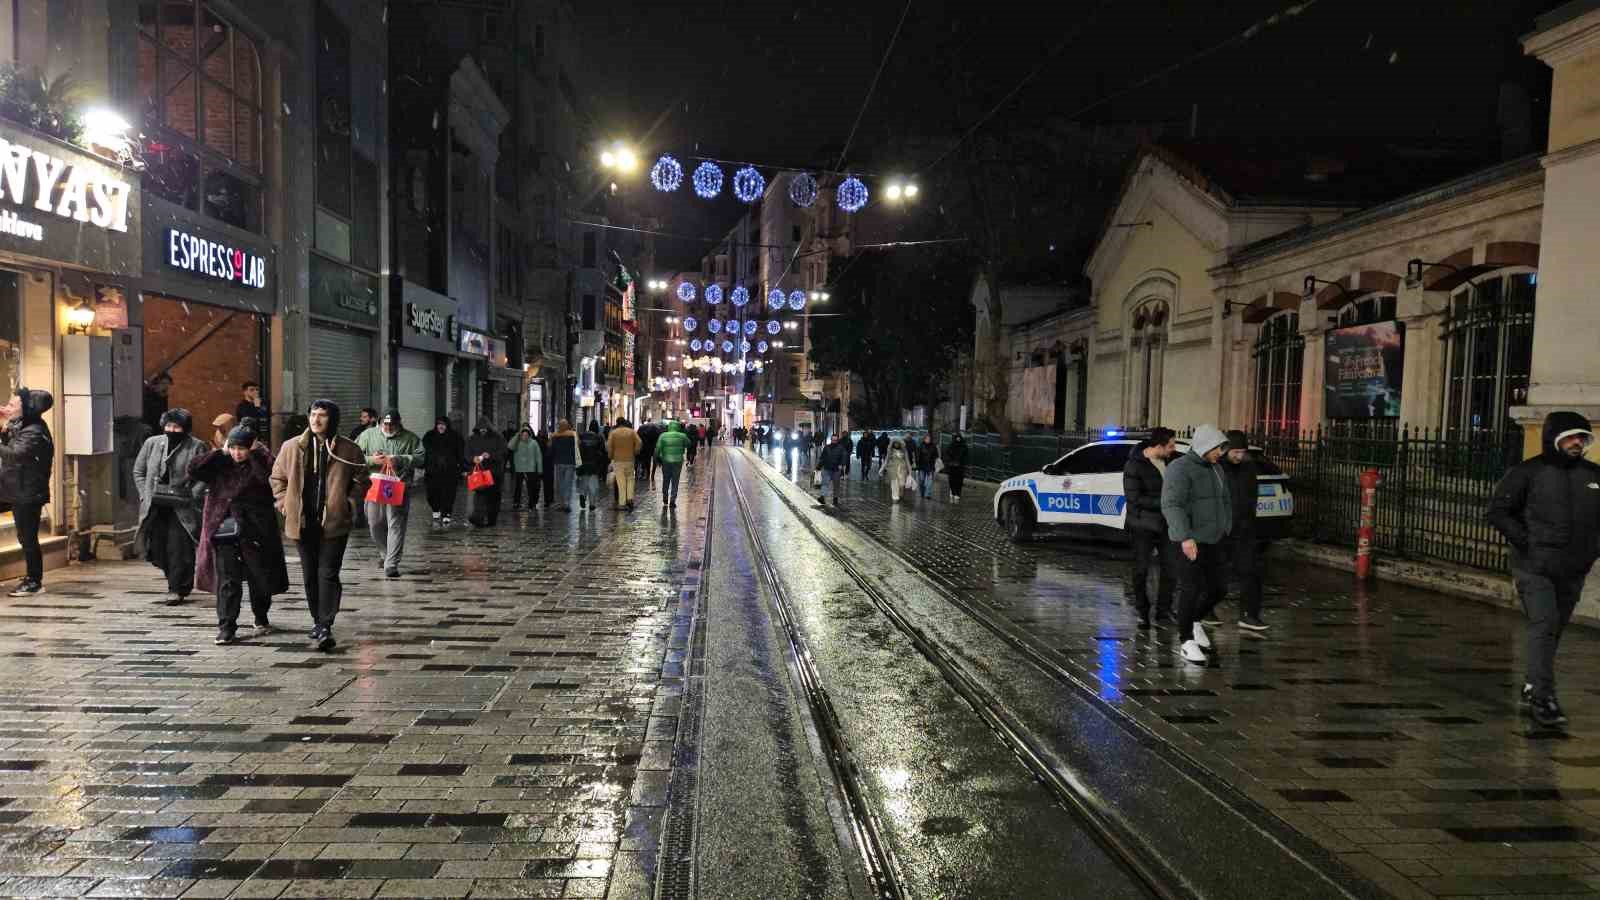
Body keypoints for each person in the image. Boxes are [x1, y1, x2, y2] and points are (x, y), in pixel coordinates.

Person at [1487, 411, 1600, 728]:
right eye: (1571, 437)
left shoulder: (1594, 475)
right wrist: (1527, 542)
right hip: (1534, 567)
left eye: (1582, 437)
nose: (1577, 443)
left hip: (1574, 570)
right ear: (1555, 438)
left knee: (1553, 631)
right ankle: (1543, 698)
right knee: (1544, 624)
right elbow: (1498, 511)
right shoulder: (1528, 472)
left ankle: (1531, 685)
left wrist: (1594, 549)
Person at [270, 400, 367, 651]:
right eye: (313, 415)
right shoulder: (292, 447)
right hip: (303, 522)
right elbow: (277, 478)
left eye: (322, 416)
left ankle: (325, 624)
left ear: (332, 419)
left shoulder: (349, 449)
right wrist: (284, 503)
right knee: (310, 574)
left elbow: (362, 479)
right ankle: (317, 620)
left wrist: (348, 502)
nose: (316, 420)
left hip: (334, 523)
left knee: (328, 573)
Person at [190, 426, 289, 644]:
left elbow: (271, 476)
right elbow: (194, 469)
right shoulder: (221, 463)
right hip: (224, 528)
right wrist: (220, 452)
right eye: (233, 448)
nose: (237, 453)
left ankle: (261, 616)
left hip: (255, 530)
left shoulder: (260, 463)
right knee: (227, 579)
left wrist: (257, 453)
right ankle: (226, 627)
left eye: (242, 448)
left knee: (259, 577)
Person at [1161, 425, 1233, 665]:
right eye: (1216, 449)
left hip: (1215, 539)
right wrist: (1185, 537)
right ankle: (1185, 640)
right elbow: (1172, 504)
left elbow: (1224, 500)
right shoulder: (1179, 468)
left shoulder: (1216, 469)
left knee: (1219, 588)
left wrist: (1226, 526)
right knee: (1190, 589)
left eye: (1222, 449)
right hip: (1189, 541)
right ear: (1204, 446)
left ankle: (1194, 621)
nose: (1220, 453)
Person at [133, 409, 210, 605]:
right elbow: (139, 471)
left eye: (176, 427)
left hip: (182, 507)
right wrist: (145, 494)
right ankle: (176, 581)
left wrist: (192, 495)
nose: (171, 430)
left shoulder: (196, 446)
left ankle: (176, 588)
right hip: (156, 505)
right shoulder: (152, 444)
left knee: (178, 547)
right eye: (168, 426)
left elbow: (206, 475)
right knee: (158, 546)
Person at [0, 388, 54, 596]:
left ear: (29, 410)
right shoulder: (21, 424)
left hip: (27, 492)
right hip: (12, 488)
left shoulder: (35, 431)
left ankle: (34, 581)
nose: (8, 406)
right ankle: (33, 579)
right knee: (26, 536)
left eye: (13, 405)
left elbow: (15, 454)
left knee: (27, 537)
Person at [356, 410, 423, 578]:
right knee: (375, 522)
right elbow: (354, 456)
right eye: (385, 424)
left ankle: (391, 564)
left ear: (399, 423)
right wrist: (372, 460)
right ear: (379, 423)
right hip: (374, 485)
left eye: (392, 425)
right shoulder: (367, 435)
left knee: (396, 523)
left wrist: (399, 459)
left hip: (399, 485)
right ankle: (385, 554)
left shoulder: (411, 438)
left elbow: (421, 458)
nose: (388, 427)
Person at [1124, 428, 1177, 629]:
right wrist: (1164, 501)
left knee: (1171, 568)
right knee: (1141, 570)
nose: (1173, 449)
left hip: (1167, 524)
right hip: (1142, 525)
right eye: (1170, 446)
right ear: (1158, 446)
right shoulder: (1134, 465)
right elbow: (1134, 499)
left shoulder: (1171, 461)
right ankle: (1142, 611)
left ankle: (1164, 611)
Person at [1222, 430, 1271, 633]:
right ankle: (1204, 612)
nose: (1239, 456)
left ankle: (1249, 615)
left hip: (1244, 529)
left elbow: (1252, 495)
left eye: (1242, 451)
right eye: (1235, 452)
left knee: (1251, 572)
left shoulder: (1249, 468)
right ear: (1226, 450)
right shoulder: (1217, 467)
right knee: (1213, 575)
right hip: (1221, 530)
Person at [422, 417, 465, 525]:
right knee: (432, 493)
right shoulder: (429, 436)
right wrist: (422, 465)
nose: (441, 426)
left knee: (448, 493)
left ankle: (446, 513)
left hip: (450, 471)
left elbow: (461, 453)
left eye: (443, 424)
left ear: (447, 425)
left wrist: (463, 468)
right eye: (439, 424)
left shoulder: (455, 437)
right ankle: (435, 510)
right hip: (432, 471)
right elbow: (423, 452)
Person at [464, 418, 506, 527]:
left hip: (494, 473)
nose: (483, 431)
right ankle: (478, 518)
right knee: (480, 495)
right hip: (479, 473)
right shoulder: (471, 439)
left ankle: (492, 519)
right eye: (481, 429)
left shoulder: (498, 438)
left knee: (493, 497)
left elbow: (503, 453)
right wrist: (473, 459)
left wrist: (490, 456)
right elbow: (467, 455)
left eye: (485, 429)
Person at [607, 417, 642, 511]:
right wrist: (635, 451)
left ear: (617, 423)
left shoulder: (613, 433)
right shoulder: (631, 432)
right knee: (630, 479)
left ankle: (622, 503)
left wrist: (610, 456)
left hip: (618, 460)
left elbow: (609, 446)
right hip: (630, 459)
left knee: (620, 481)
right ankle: (630, 498)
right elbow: (639, 442)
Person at [655, 421, 690, 508]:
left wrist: (657, 459)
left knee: (666, 479)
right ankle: (672, 500)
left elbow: (657, 448)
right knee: (675, 480)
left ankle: (665, 498)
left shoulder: (663, 435)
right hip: (678, 461)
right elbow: (689, 444)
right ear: (678, 427)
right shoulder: (682, 436)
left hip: (666, 460)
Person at [577, 420, 609, 512]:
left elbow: (579, 449)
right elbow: (603, 452)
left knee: (584, 481)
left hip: (583, 463)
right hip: (594, 464)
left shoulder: (582, 436)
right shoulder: (599, 437)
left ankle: (583, 495)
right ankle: (592, 504)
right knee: (593, 484)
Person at [508, 426, 543, 510]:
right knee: (518, 487)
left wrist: (540, 469)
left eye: (526, 434)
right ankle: (516, 503)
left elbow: (538, 456)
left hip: (530, 469)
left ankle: (532, 503)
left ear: (529, 435)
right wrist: (517, 435)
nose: (524, 436)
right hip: (519, 468)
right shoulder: (517, 442)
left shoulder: (534, 443)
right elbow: (510, 446)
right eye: (523, 435)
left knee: (531, 488)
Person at [549, 420, 581, 511]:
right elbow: (578, 445)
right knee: (568, 483)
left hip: (558, 462)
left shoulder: (554, 436)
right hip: (570, 462)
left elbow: (550, 449)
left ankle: (560, 502)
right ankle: (566, 503)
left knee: (559, 484)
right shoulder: (573, 434)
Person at [818, 431, 851, 508]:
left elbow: (844, 457)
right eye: (833, 440)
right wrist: (818, 466)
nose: (834, 441)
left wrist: (841, 465)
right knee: (825, 483)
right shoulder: (827, 447)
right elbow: (823, 458)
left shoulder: (841, 448)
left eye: (835, 440)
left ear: (837, 440)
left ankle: (835, 498)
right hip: (827, 468)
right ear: (831, 440)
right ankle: (822, 497)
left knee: (836, 485)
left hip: (836, 470)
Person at [884, 438, 913, 503]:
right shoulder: (890, 450)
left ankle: (900, 494)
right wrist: (882, 468)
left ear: (900, 444)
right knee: (894, 484)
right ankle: (895, 497)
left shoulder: (904, 451)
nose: (896, 444)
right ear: (893, 444)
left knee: (902, 484)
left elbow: (907, 461)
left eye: (898, 443)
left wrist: (910, 471)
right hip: (893, 469)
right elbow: (886, 460)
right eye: (895, 443)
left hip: (902, 470)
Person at [943, 432, 969, 502]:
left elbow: (966, 456)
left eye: (959, 438)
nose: (958, 439)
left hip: (960, 467)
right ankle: (953, 491)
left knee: (959, 481)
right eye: (957, 438)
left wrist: (962, 462)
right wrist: (950, 461)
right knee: (951, 480)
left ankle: (957, 494)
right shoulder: (950, 446)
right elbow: (946, 455)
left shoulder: (964, 446)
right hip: (952, 467)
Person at [914, 432, 940, 499]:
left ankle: (928, 494)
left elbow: (936, 455)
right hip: (922, 466)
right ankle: (922, 492)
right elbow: (917, 456)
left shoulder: (933, 446)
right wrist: (917, 464)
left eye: (929, 438)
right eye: (927, 438)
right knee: (922, 480)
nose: (928, 440)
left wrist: (936, 461)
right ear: (924, 439)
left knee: (930, 481)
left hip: (930, 466)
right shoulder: (920, 446)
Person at [637, 418, 661, 487]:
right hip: (654, 447)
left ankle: (647, 474)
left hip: (645, 448)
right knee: (654, 461)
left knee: (646, 460)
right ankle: (652, 475)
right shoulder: (657, 430)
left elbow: (639, 438)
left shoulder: (642, 429)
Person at [536, 429, 555, 507]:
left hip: (539, 465)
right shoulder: (549, 443)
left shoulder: (536, 442)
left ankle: (535, 500)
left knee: (537, 484)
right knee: (548, 484)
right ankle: (548, 500)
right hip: (548, 466)